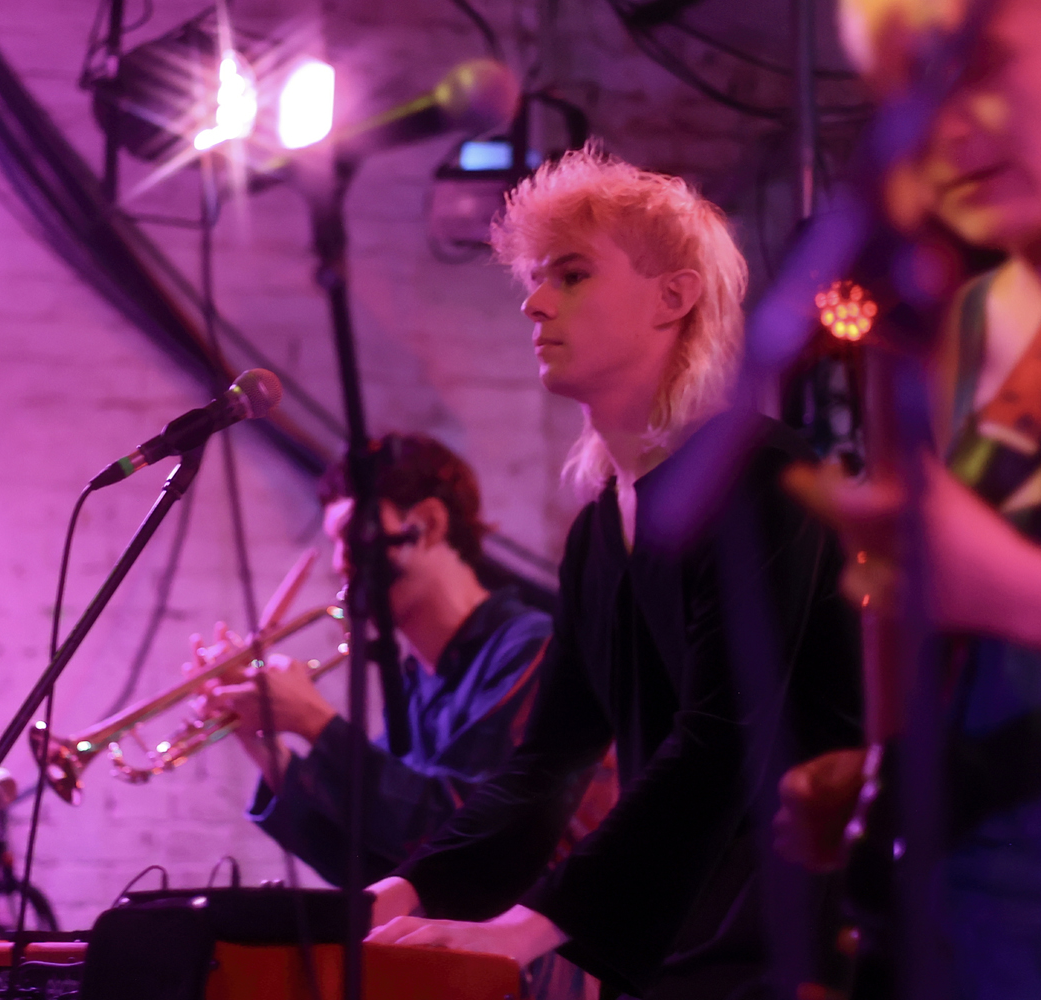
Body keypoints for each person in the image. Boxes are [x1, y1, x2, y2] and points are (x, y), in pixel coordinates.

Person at [364, 145, 865, 1000]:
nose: (534, 303)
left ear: (675, 297)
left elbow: (721, 745)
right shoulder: (601, 529)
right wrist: (399, 893)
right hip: (692, 943)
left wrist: (530, 927)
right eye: (535, 280)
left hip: (803, 942)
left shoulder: (759, 478)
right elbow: (548, 763)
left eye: (571, 275)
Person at [775, 0, 1041, 993]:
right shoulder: (949, 332)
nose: (945, 127)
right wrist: (877, 778)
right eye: (908, 91)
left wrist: (1014, 592)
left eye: (979, 63)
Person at [198, 433, 559, 888]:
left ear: (428, 523)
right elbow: (377, 864)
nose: (340, 562)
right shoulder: (414, 681)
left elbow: (465, 837)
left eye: (353, 536)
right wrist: (266, 750)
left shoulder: (531, 648)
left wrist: (315, 722)